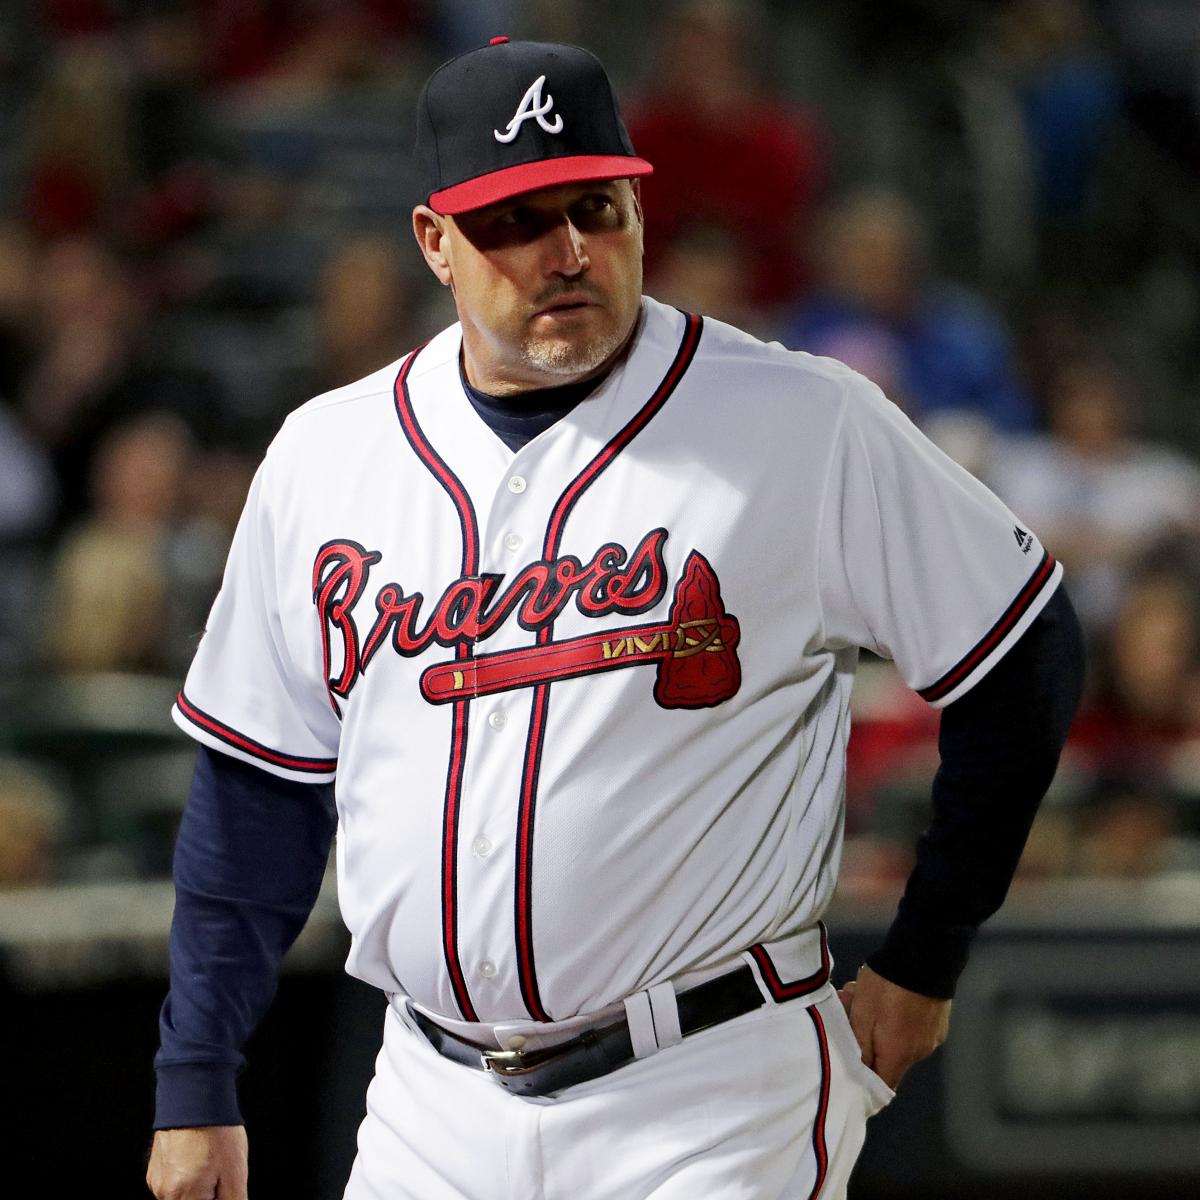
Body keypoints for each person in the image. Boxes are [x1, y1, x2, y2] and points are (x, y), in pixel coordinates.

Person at [147, 38, 1085, 1200]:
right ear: (434, 242)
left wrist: (926, 958)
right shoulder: (328, 457)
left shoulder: (798, 423)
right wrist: (195, 1077)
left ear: (640, 204)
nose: (568, 252)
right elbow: (258, 789)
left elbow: (1024, 649)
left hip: (709, 1090)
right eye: (516, 220)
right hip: (429, 1103)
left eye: (595, 206)